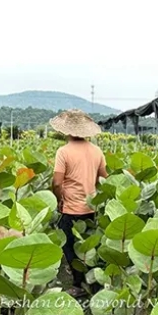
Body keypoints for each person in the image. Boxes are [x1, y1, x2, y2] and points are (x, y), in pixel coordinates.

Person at [49, 109, 108, 297]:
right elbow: (104, 180)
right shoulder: (97, 151)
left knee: (69, 246)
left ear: (67, 130)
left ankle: (78, 284)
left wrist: (59, 200)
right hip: (91, 207)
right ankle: (91, 281)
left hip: (71, 207)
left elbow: (57, 182)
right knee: (89, 246)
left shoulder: (63, 152)